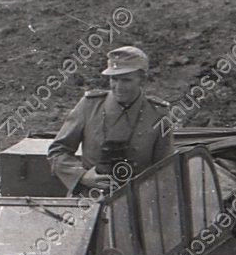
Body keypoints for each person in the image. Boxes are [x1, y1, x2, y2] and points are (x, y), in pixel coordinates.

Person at [47, 46, 173, 195]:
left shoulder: (158, 113)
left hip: (139, 201)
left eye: (126, 80)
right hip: (90, 199)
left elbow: (165, 168)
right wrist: (82, 176)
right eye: (114, 79)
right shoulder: (89, 105)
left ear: (142, 79)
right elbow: (58, 151)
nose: (118, 87)